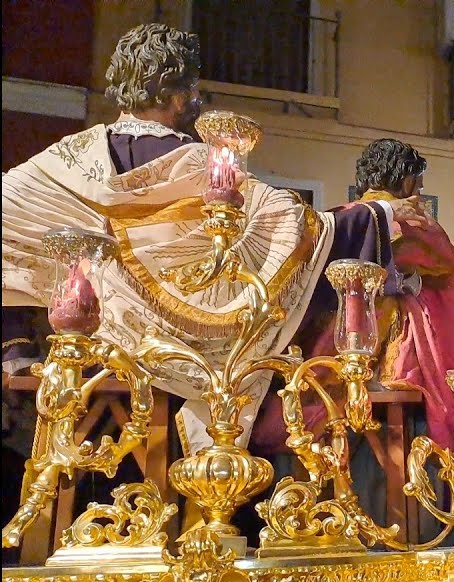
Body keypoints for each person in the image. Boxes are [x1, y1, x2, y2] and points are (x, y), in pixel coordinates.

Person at [1, 23, 423, 456]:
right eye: (193, 89)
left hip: (94, 365)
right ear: (174, 93)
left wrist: (14, 340)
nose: (197, 101)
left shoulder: (69, 159)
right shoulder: (205, 163)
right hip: (198, 356)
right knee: (251, 373)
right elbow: (294, 228)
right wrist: (378, 213)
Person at [253, 139, 454, 454]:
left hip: (322, 356)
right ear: (407, 180)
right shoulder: (415, 222)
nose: (419, 189)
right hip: (394, 364)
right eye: (418, 181)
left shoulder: (339, 216)